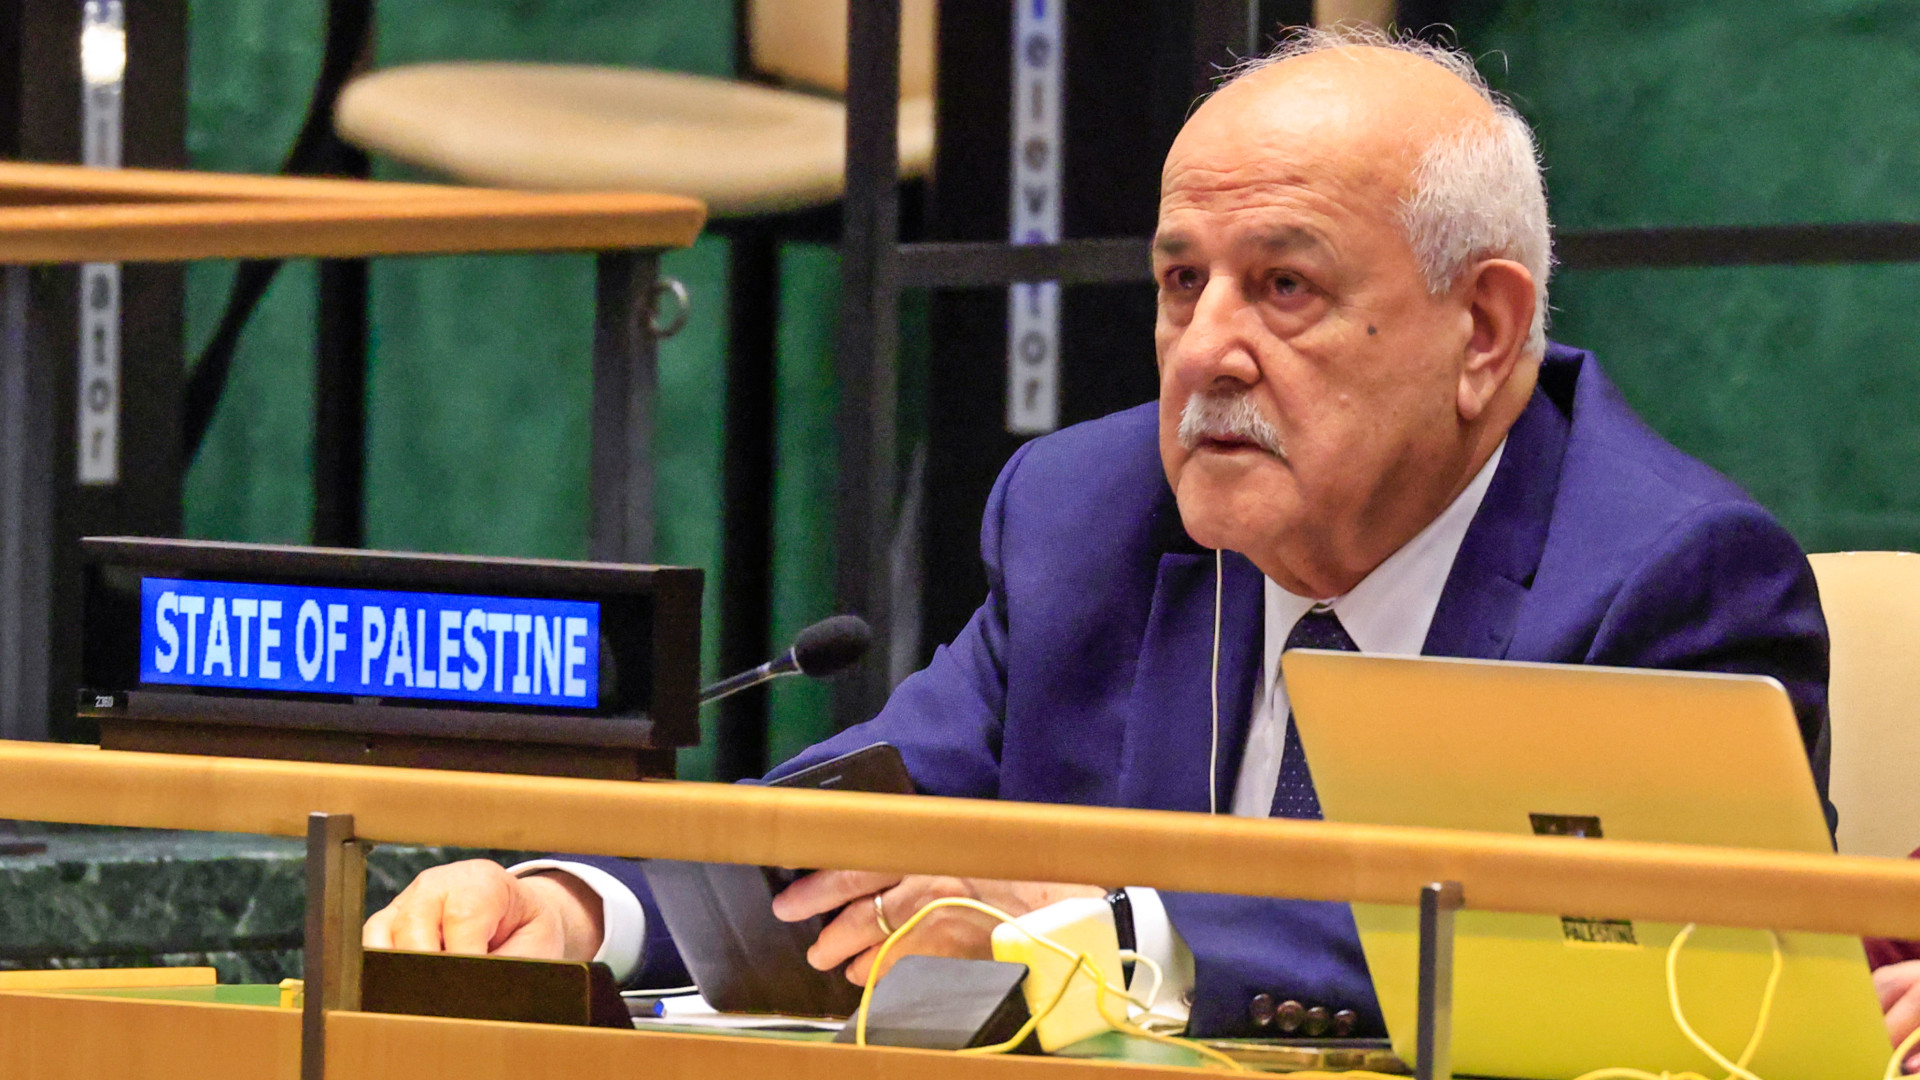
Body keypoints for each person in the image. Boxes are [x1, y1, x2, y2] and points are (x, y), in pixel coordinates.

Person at [365, 28, 1835, 1039]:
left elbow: (1604, 971)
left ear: (1484, 330)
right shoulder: (1093, 513)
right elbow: (871, 836)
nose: (1205, 351)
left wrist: (1109, 930)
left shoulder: (1662, 579)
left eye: (1287, 289)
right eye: (1181, 281)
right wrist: (574, 910)